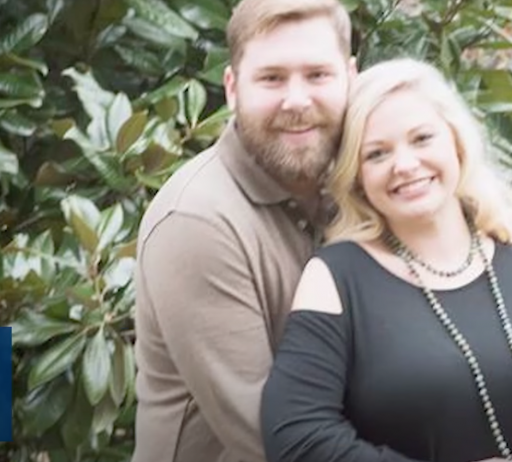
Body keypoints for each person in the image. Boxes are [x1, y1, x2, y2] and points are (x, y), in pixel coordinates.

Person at [260, 58, 512, 462]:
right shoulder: (337, 278)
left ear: (457, 142)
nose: (405, 165)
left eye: (422, 138)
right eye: (377, 154)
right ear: (357, 176)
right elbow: (298, 438)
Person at [131, 0, 356, 461]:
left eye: (318, 75)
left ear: (351, 78)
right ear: (232, 88)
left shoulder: (365, 190)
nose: (297, 101)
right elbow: (276, 441)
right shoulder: (196, 220)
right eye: (272, 78)